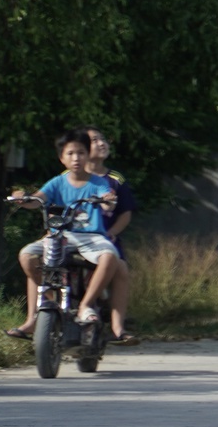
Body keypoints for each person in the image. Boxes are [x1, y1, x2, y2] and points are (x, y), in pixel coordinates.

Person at [10, 130, 127, 336]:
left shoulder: (99, 182)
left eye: (81, 153)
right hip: (59, 236)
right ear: (61, 158)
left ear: (87, 155)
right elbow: (37, 200)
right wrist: (22, 198)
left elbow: (108, 202)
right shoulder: (57, 182)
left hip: (91, 237)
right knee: (27, 255)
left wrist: (109, 201)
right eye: (70, 153)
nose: (76, 158)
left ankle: (86, 305)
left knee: (110, 257)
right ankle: (41, 310)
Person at [85, 126, 138, 342]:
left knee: (121, 270)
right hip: (75, 236)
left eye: (103, 139)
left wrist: (112, 233)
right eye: (94, 140)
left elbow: (125, 213)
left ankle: (118, 328)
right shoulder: (68, 178)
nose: (101, 143)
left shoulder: (115, 179)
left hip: (106, 238)